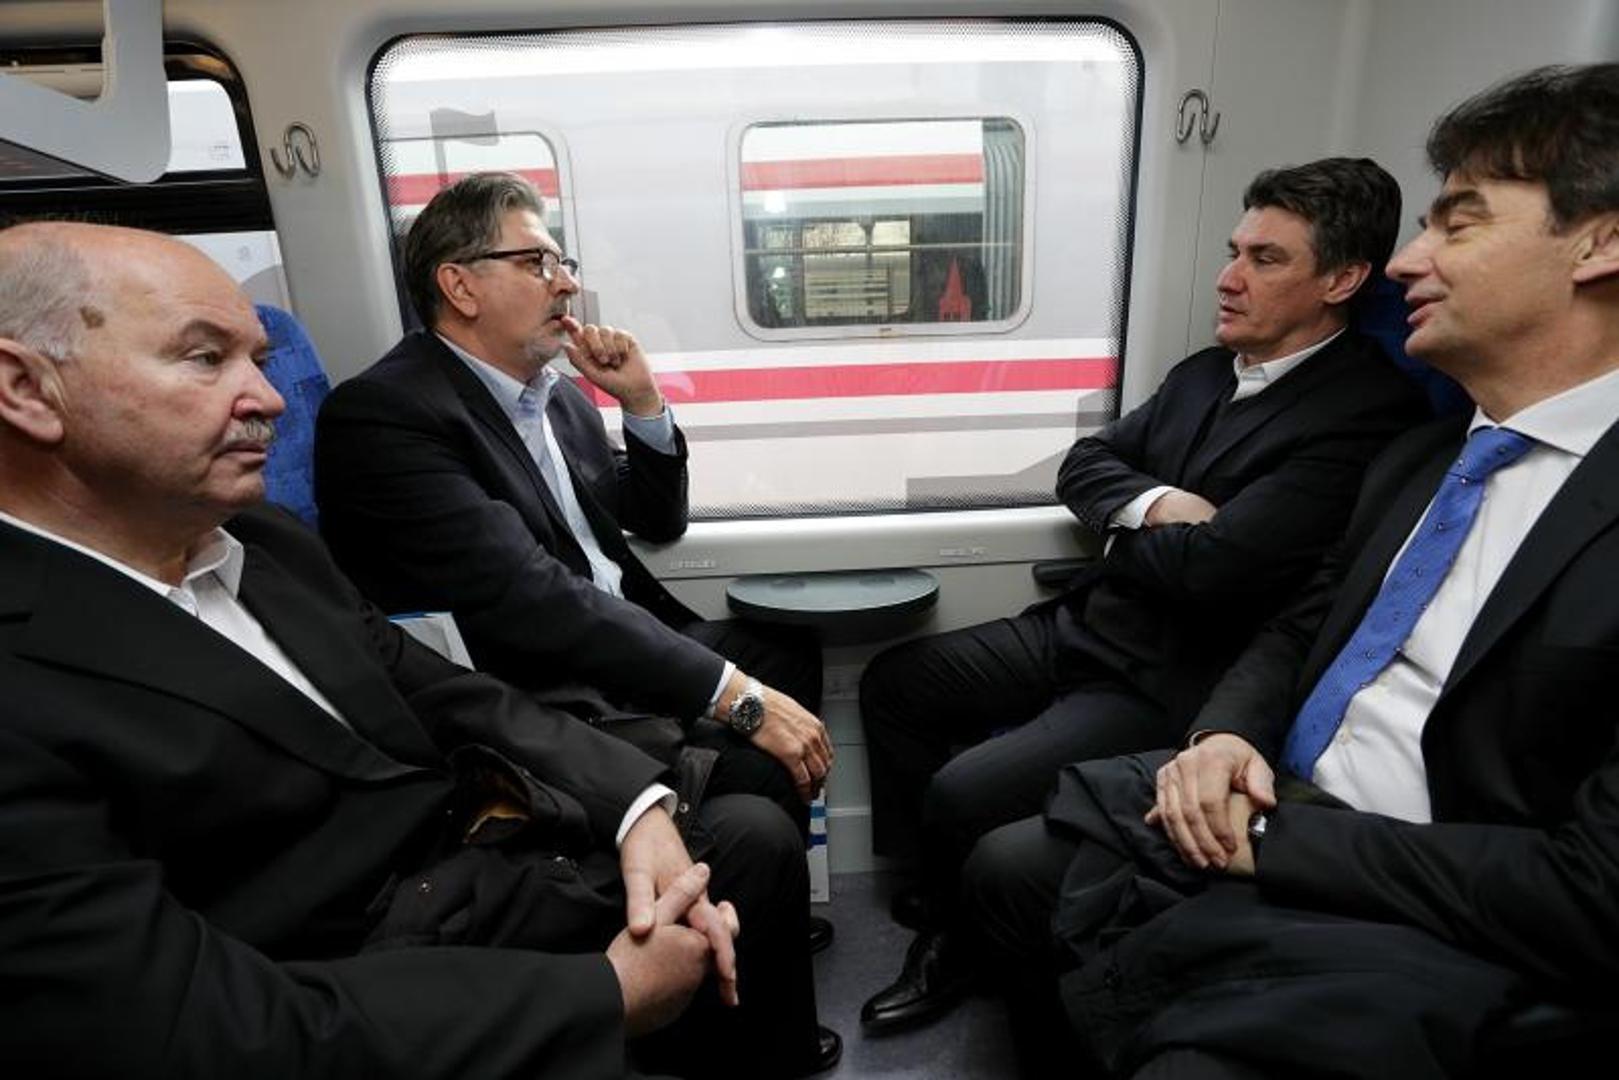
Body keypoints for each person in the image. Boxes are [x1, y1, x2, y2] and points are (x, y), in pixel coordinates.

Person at [0, 220, 838, 1078]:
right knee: (743, 825)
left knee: (744, 833)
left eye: (257, 360)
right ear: (27, 388)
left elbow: (440, 690)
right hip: (352, 962)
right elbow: (185, 1024)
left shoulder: (266, 543)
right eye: (205, 358)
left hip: (461, 857)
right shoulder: (26, 674)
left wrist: (635, 806)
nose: (270, 400)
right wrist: (605, 996)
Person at [962, 62, 1619, 1079]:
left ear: (1599, 243)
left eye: (1458, 223)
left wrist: (1272, 840)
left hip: (1434, 874)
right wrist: (1226, 734)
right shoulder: (1423, 459)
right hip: (1289, 791)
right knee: (1007, 868)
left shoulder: (1377, 423)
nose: (1407, 263)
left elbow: (1593, 890)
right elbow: (1303, 624)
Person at [857, 157, 1429, 1033]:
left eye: (1265, 259)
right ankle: (935, 889)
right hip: (1086, 623)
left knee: (965, 792)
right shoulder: (1204, 372)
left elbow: (1215, 573)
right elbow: (1082, 466)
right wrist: (1159, 507)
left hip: (1167, 673)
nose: (1228, 278)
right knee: (898, 683)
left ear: (1342, 281)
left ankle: (955, 941)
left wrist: (1126, 533)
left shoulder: (1366, 411)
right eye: (1233, 251)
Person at [314, 173, 833, 860]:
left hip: (613, 640)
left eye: (564, 263)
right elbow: (530, 594)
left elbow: (658, 519)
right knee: (759, 794)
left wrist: (642, 404)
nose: (565, 284)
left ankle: (776, 890)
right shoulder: (387, 416)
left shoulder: (557, 398)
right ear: (460, 287)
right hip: (543, 686)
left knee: (788, 656)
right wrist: (732, 694)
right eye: (537, 263)